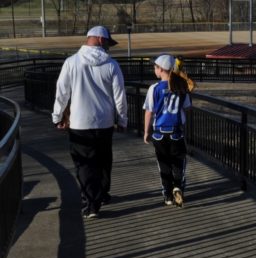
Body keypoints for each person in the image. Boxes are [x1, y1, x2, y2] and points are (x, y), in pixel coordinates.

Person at [52, 25, 128, 219]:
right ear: (100, 40)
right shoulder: (111, 65)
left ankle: (91, 203)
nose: (108, 48)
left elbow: (62, 93)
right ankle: (101, 194)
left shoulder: (72, 62)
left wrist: (57, 116)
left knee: (85, 164)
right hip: (104, 121)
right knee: (104, 160)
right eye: (108, 43)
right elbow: (120, 96)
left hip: (80, 122)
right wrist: (122, 118)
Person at [143, 54, 192, 207]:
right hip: (176, 131)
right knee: (178, 161)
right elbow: (187, 108)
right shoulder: (181, 86)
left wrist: (146, 132)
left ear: (161, 69)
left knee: (163, 163)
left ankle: (167, 195)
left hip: (159, 133)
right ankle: (178, 186)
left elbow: (149, 111)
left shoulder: (154, 88)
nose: (154, 70)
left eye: (155, 67)